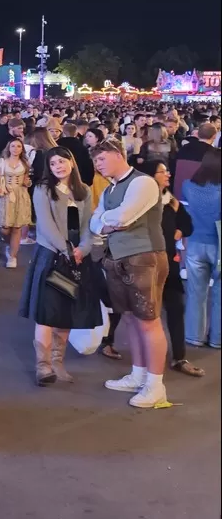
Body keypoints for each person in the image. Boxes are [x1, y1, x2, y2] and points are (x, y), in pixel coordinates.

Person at [90, 139, 170, 408]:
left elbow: (122, 218)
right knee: (132, 319)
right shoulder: (110, 189)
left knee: (149, 321)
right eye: (95, 161)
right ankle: (138, 375)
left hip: (145, 257)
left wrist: (108, 222)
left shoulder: (142, 182)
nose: (98, 165)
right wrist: (109, 223)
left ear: (116, 154)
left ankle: (156, 385)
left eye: (101, 159)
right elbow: (96, 222)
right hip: (119, 259)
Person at [18, 148, 97, 385]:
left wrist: (83, 249)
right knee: (46, 312)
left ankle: (58, 362)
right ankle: (43, 366)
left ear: (71, 162)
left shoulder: (84, 191)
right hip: (51, 255)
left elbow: (88, 225)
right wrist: (65, 249)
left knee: (66, 312)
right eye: (53, 164)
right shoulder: (43, 190)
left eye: (62, 162)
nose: (58, 167)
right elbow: (45, 224)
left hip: (78, 258)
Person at [137, 160, 203, 377]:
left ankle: (179, 357)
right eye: (163, 172)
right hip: (145, 264)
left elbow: (188, 226)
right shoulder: (143, 202)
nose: (168, 175)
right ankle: (115, 345)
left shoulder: (172, 201)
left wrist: (179, 230)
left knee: (175, 308)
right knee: (137, 313)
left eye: (167, 171)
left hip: (169, 266)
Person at [181, 147, 221, 352]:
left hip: (195, 242)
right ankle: (217, 339)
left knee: (196, 292)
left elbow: (185, 213)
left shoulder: (188, 185)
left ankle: (194, 336)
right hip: (219, 244)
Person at [0, 138, 33, 269]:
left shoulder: (25, 162)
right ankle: (8, 244)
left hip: (21, 195)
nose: (15, 149)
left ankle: (12, 256)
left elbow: (27, 180)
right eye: (13, 146)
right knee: (4, 229)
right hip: (7, 195)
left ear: (22, 149)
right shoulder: (1, 162)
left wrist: (28, 182)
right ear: (8, 148)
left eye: (18, 146)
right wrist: (1, 190)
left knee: (17, 227)